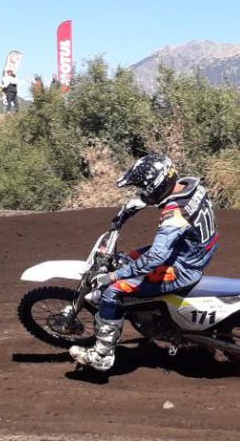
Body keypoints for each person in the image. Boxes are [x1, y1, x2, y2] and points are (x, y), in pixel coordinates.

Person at [69, 154, 219, 371]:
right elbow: (156, 200)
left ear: (157, 186)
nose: (144, 192)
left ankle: (102, 355)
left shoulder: (173, 214)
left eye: (145, 188)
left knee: (113, 291)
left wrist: (113, 276)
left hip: (184, 267)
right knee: (129, 259)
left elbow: (156, 257)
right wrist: (131, 208)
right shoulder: (191, 186)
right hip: (197, 248)